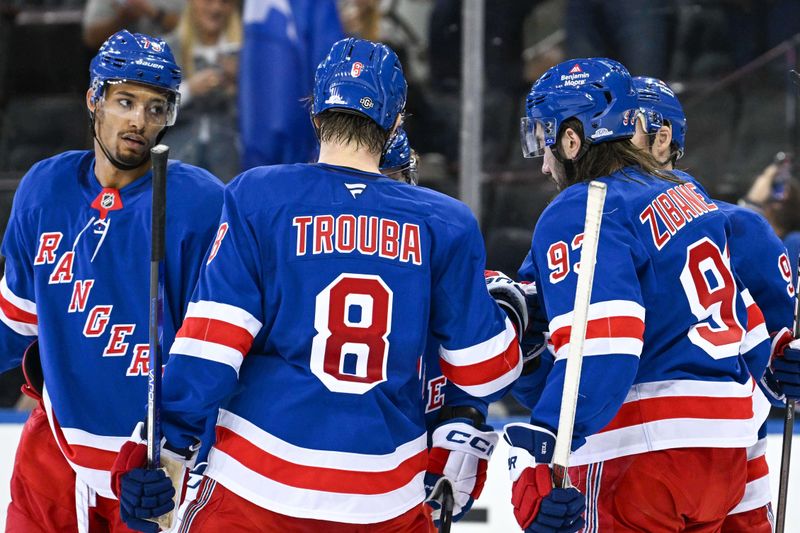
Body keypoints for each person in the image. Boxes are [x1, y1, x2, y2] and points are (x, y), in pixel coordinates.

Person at [111, 37, 527, 532]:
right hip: (383, 499)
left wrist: (164, 445)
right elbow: (486, 375)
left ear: (316, 115)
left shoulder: (259, 195)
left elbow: (212, 348)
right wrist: (510, 311)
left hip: (256, 484)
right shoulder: (447, 222)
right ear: (395, 123)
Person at [509, 58, 763, 532]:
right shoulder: (686, 192)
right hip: (725, 457)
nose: (543, 163)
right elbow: (747, 326)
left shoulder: (583, 208)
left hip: (642, 458)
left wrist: (542, 449)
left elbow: (606, 346)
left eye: (545, 138)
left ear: (571, 138)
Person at [1, 30, 224, 532]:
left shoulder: (200, 204)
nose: (138, 121)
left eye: (154, 107)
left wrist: (184, 453)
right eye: (125, 101)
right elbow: (16, 325)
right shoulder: (44, 188)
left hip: (153, 465)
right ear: (93, 100)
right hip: (54, 452)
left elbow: (221, 348)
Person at [631, 75, 800, 533]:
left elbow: (782, 348)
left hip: (693, 462)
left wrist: (786, 365)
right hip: (706, 458)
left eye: (624, 129)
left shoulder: (738, 227)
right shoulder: (594, 221)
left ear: (663, 139)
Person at [165, 0, 243, 181]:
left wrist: (242, 85)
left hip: (230, 163)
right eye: (208, 1)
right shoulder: (166, 50)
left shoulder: (246, 55)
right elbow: (152, 108)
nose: (216, 8)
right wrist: (190, 89)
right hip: (175, 162)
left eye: (224, 2)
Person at [83, 0, 183, 50]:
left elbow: (193, 27)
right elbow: (91, 38)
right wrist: (121, 19)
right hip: (120, 62)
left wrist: (153, 13)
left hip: (171, 59)